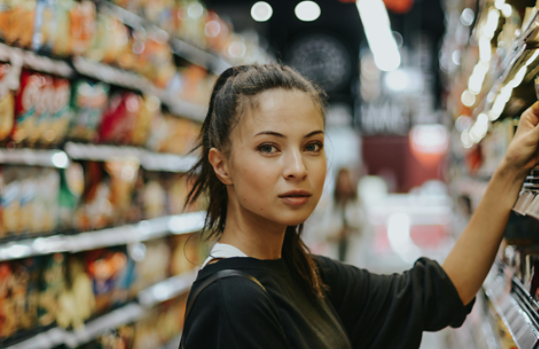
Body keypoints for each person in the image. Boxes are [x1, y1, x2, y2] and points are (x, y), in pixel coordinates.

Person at [181, 64, 539, 349]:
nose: (297, 168)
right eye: (269, 148)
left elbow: (436, 294)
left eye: (312, 146)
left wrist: (511, 170)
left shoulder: (306, 274)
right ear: (221, 164)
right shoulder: (231, 301)